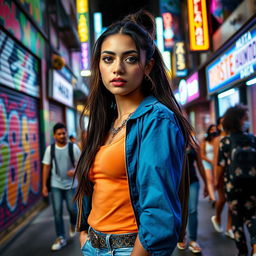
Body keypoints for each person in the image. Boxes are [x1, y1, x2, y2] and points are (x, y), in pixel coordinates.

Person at [74, 10, 193, 256]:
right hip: (93, 246)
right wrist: (84, 233)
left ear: (147, 66)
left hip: (130, 249)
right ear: (99, 65)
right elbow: (94, 187)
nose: (117, 68)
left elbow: (159, 212)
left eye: (129, 59)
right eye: (108, 59)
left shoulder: (157, 120)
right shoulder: (104, 121)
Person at [217, 105, 256, 256]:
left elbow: (220, 166)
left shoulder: (225, 141)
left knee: (237, 218)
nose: (247, 121)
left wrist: (216, 182)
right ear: (238, 120)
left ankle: (242, 252)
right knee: (252, 215)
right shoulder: (252, 138)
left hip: (233, 186)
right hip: (253, 186)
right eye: (245, 119)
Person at [42, 123, 81, 251]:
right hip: (56, 185)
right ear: (54, 135)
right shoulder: (50, 149)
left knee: (72, 210)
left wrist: (75, 171)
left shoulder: (73, 147)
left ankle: (72, 223)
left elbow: (82, 164)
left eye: (64, 133)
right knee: (57, 212)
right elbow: (46, 167)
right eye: (59, 134)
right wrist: (44, 186)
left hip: (71, 185)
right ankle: (60, 237)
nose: (62, 135)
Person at [177, 144, 208, 254]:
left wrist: (206, 184)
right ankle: (181, 236)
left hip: (193, 181)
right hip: (177, 183)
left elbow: (200, 165)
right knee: (179, 210)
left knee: (193, 210)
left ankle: (193, 240)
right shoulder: (173, 138)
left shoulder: (194, 145)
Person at [211, 117, 234, 238]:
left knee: (231, 201)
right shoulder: (217, 139)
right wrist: (215, 177)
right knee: (222, 199)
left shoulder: (232, 138)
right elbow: (216, 160)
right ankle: (217, 217)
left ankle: (229, 227)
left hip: (232, 173)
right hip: (221, 173)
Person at [200, 124, 218, 204]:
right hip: (207, 162)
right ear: (209, 131)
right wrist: (210, 161)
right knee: (209, 180)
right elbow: (202, 155)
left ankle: (211, 194)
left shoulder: (217, 140)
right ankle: (213, 198)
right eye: (211, 129)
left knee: (214, 180)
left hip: (216, 163)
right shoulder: (205, 141)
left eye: (215, 129)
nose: (213, 131)